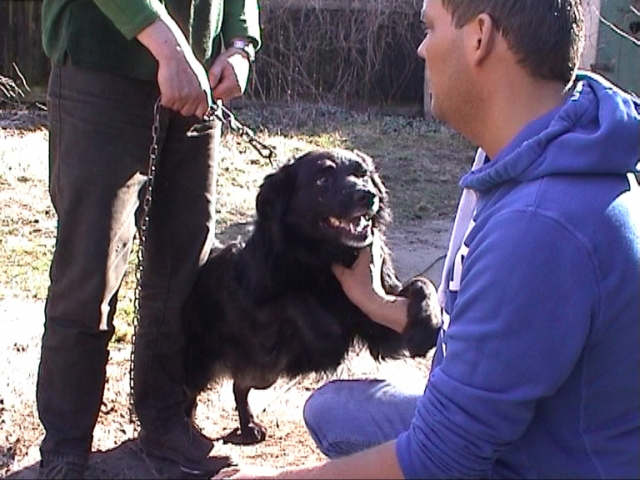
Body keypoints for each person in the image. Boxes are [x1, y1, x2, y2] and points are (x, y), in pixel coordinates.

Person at [214, 0, 640, 478]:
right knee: (333, 410)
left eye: (429, 27)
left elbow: (440, 462)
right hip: (538, 428)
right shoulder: (534, 157)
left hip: (545, 462)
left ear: (479, 37)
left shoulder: (542, 224)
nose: (419, 49)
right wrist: (375, 303)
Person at [35, 1, 261, 478]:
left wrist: (240, 44)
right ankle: (65, 444)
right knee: (90, 266)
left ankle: (166, 421)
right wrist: (165, 44)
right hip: (104, 64)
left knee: (185, 263)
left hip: (198, 78)